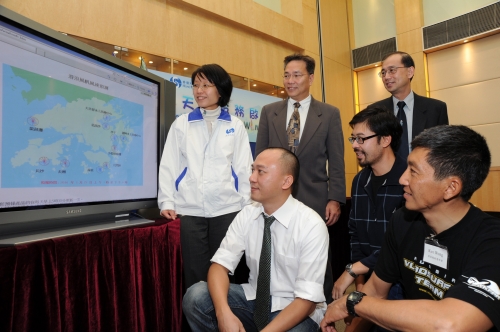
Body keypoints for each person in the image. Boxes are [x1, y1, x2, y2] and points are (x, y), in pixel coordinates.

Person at [321, 125, 500, 332]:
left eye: (413, 172)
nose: (402, 179)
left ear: (451, 188)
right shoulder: (403, 221)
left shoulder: (491, 243)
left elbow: (451, 324)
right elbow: (375, 292)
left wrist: (352, 302)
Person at [183, 147, 329, 331]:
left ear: (286, 181)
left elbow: (306, 300)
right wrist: (224, 314)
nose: (252, 177)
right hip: (254, 300)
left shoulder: (311, 225)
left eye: (261, 171)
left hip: (294, 308)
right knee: (196, 296)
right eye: (252, 170)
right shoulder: (247, 214)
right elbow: (218, 267)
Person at [255, 53, 346, 303]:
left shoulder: (328, 114)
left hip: (314, 198)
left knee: (316, 260)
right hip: (276, 200)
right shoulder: (269, 112)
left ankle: (322, 313)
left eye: (297, 75)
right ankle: (277, 307)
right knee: (277, 256)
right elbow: (260, 158)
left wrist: (335, 198)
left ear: (311, 77)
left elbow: (337, 160)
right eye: (286, 75)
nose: (290, 80)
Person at [158, 64, 253, 289]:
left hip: (227, 209)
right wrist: (167, 201)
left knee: (226, 272)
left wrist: (247, 205)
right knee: (196, 276)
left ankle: (227, 320)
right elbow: (168, 165)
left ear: (220, 90)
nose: (199, 90)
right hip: (190, 210)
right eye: (195, 85)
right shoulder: (182, 124)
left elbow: (243, 168)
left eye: (205, 85)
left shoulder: (235, 125)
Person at [332, 108, 405, 328]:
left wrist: (353, 270)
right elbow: (354, 233)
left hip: (400, 283)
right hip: (366, 279)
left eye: (361, 139)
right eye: (353, 138)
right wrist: (360, 283)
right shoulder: (359, 181)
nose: (354, 145)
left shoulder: (408, 181)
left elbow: (402, 245)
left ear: (385, 140)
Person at [369, 51, 448, 160]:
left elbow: (443, 153)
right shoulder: (374, 111)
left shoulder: (436, 109)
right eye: (383, 72)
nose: (386, 77)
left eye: (392, 70)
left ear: (410, 72)